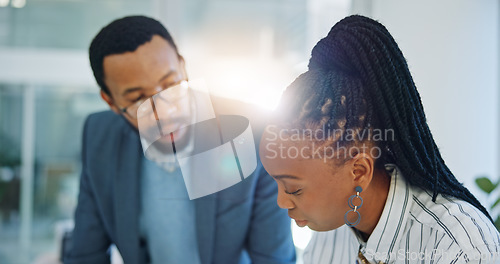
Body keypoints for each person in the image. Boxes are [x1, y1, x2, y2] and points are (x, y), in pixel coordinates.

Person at [259, 15, 500, 264]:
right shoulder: (333, 225)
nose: (281, 201)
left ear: (359, 171)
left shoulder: (461, 248)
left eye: (293, 189)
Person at [64, 15, 295, 264]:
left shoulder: (252, 130)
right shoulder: (99, 136)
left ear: (183, 67)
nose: (165, 113)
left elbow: (274, 259)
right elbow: (86, 254)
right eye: (138, 100)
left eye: (170, 85)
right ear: (110, 101)